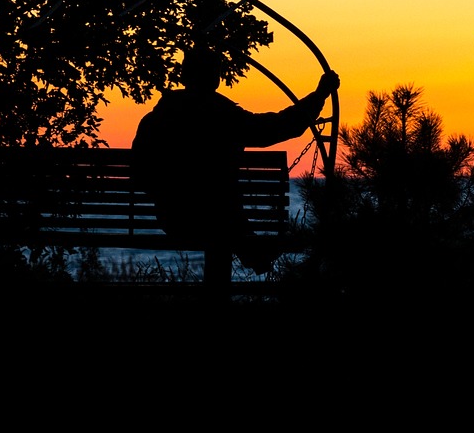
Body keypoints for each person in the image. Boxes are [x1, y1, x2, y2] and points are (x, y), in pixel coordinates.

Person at [131, 41, 339, 282]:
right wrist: (319, 96)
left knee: (220, 211)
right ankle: (251, 258)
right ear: (215, 78)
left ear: (184, 75)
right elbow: (274, 128)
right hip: (215, 219)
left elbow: (140, 173)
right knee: (220, 211)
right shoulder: (222, 116)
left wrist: (168, 192)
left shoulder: (156, 119)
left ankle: (253, 253)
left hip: (174, 218)